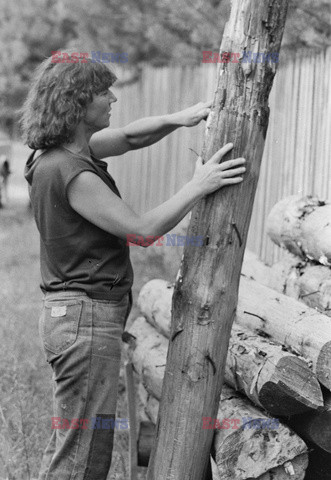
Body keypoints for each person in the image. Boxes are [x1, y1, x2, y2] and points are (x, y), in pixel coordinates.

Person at [20, 52, 246, 480]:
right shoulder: (72, 172)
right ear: (78, 102)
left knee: (73, 445)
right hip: (85, 320)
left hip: (71, 316)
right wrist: (198, 185)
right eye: (104, 91)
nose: (113, 98)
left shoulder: (56, 153)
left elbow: (128, 137)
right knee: (83, 457)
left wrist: (179, 118)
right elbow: (142, 231)